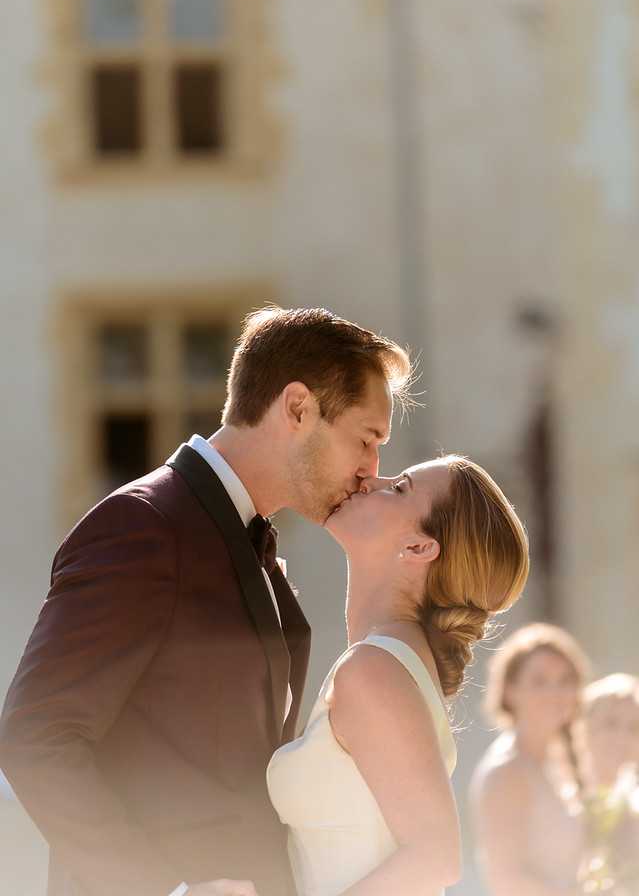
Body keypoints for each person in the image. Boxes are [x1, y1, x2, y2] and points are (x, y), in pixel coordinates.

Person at [0, 306, 411, 896]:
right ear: (298, 407)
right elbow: (36, 738)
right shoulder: (142, 525)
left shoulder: (249, 539)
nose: (374, 470)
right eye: (366, 439)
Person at [268, 454, 530, 896]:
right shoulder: (390, 662)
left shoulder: (374, 671)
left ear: (419, 548)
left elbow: (435, 858)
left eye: (401, 487)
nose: (372, 479)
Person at [471, 623, 589, 896]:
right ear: (510, 690)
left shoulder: (560, 764)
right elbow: (505, 881)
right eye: (540, 681)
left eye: (565, 681)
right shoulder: (506, 772)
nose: (555, 693)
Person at [577, 673, 639, 894]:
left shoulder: (632, 800)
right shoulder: (564, 794)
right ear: (584, 726)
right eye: (611, 723)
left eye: (633, 728)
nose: (622, 737)